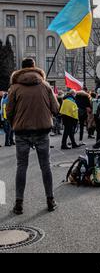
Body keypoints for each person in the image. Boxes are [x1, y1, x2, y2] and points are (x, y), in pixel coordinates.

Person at [6, 57, 60, 214]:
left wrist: (15, 122)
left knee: (21, 166)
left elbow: (8, 112)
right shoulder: (45, 85)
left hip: (22, 132)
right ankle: (50, 200)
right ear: (34, 68)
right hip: (42, 131)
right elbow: (56, 109)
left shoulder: (14, 87)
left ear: (21, 69)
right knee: (45, 166)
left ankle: (18, 204)